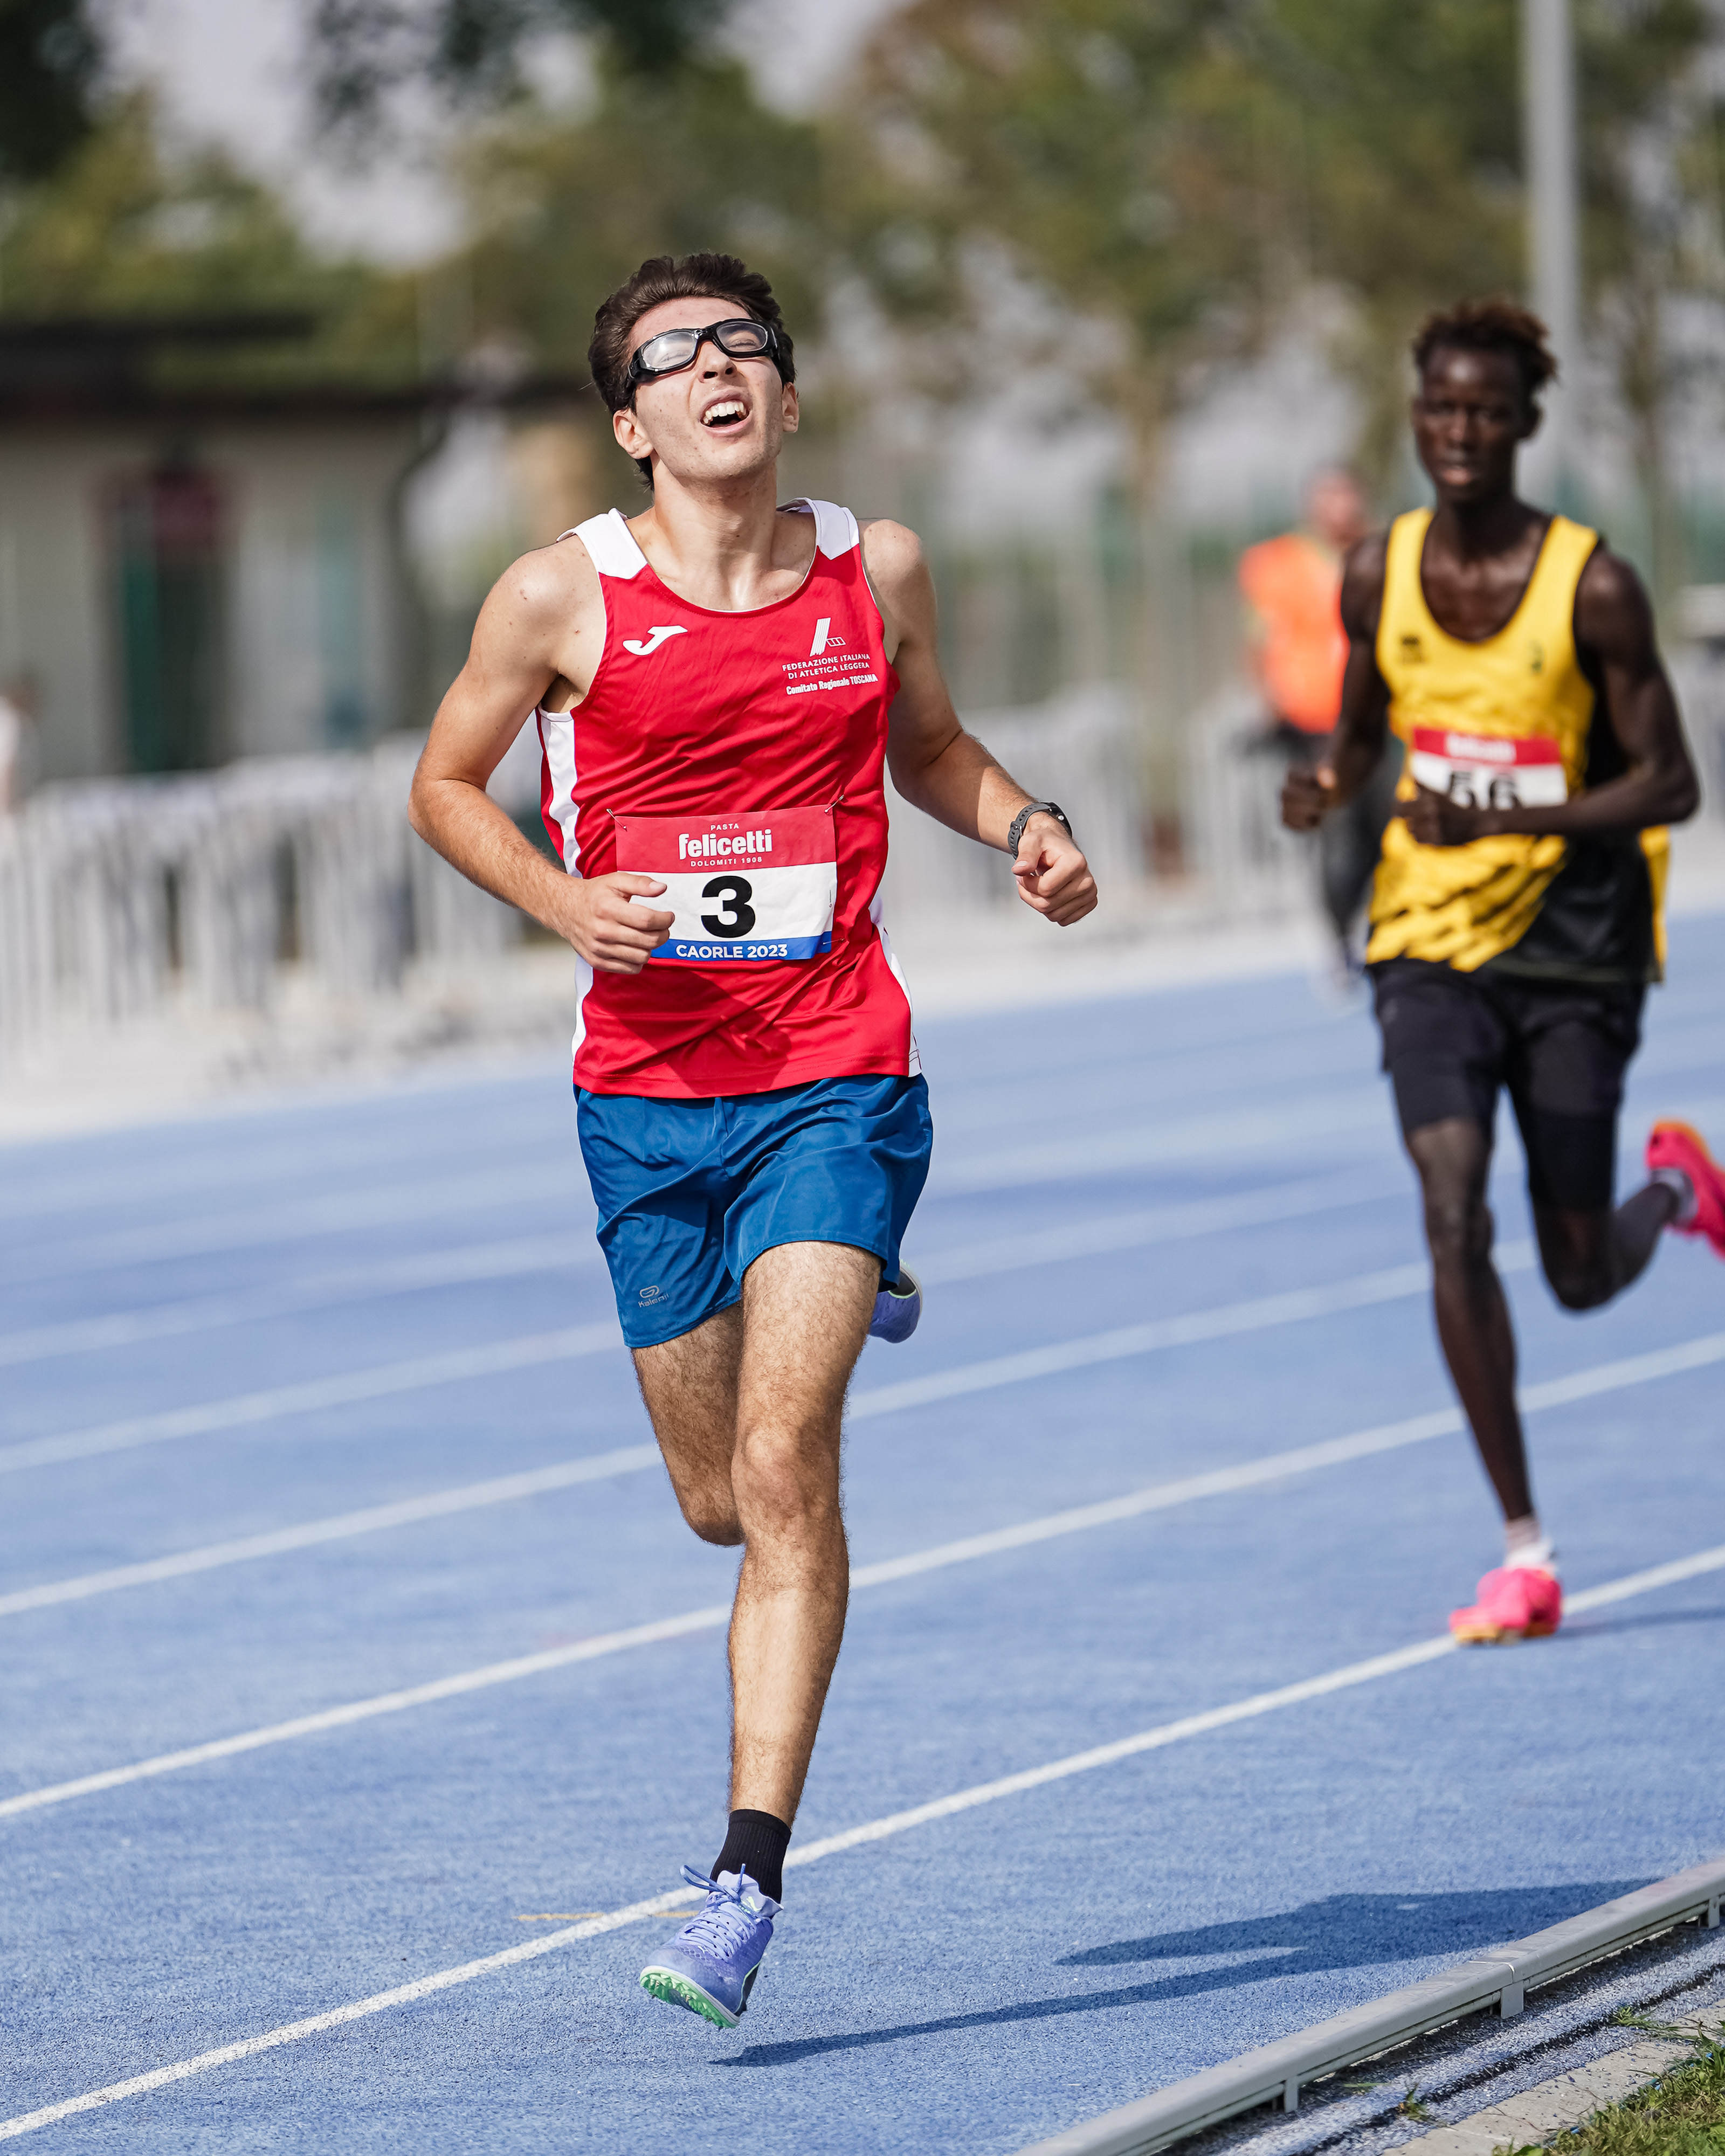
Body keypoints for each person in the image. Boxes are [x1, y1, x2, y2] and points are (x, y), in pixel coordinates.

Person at [408, 251, 1097, 2027]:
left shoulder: (879, 569)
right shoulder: (560, 598)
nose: (714, 368)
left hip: (836, 1073)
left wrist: (1025, 823)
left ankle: (743, 1879)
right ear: (631, 423)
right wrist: (567, 904)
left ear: (785, 395)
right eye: (672, 356)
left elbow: (931, 750)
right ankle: (843, 1276)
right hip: (648, 1105)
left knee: (789, 1467)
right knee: (718, 1502)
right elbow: (441, 785)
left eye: (744, 346)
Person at [1281, 297, 1725, 1646]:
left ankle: (1675, 1187)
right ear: (1416, 420)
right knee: (1450, 1207)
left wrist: (1511, 817)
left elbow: (1673, 783)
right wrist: (1328, 784)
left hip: (1578, 947)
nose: (1460, 431)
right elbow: (1364, 731)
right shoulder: (1379, 570)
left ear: (1526, 422)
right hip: (1427, 939)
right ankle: (1524, 1548)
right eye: (1440, 409)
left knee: (1580, 1270)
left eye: (1485, 411)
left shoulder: (1592, 585)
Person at [1240, 467, 1396, 972]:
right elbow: (1261, 639)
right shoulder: (1279, 564)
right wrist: (1269, 704)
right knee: (1341, 831)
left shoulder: (1386, 556)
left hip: (1383, 716)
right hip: (1316, 720)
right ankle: (1339, 934)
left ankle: (1387, 923)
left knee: (1391, 824)